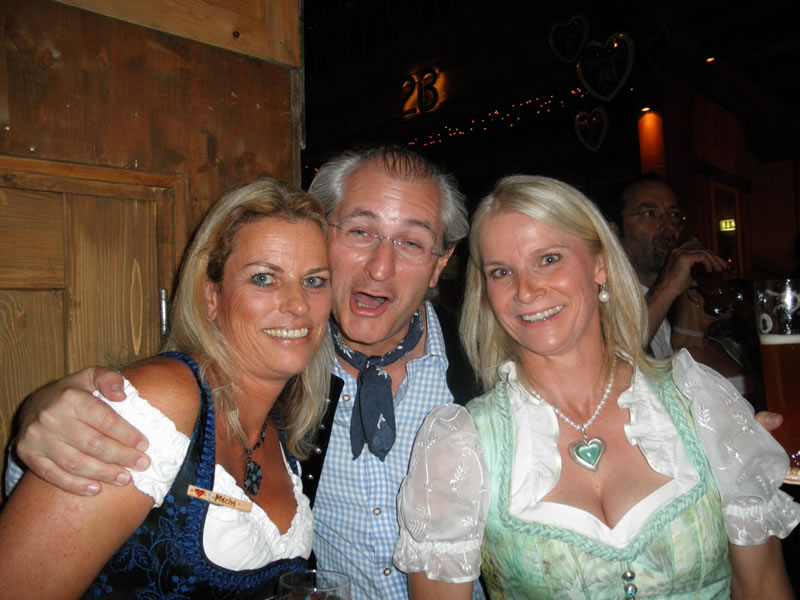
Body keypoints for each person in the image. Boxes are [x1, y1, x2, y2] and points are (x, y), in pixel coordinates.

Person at [5, 146, 485, 600]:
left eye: (412, 242)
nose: (381, 267)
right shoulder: (271, 372)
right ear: (327, 238)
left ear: (440, 263)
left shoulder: (486, 368)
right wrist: (41, 411)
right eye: (361, 232)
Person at [393, 175, 799, 599]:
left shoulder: (700, 402)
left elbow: (763, 587)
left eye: (549, 259)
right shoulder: (460, 446)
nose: (526, 291)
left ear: (600, 265)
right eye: (501, 272)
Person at [0, 178, 334, 598]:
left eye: (315, 281)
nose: (299, 305)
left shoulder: (281, 427)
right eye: (264, 278)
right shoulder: (161, 402)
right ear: (211, 295)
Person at [607, 174, 728, 358]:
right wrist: (668, 287)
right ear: (613, 231)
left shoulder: (667, 307)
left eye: (674, 215)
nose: (670, 225)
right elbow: (615, 359)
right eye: (650, 214)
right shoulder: (601, 300)